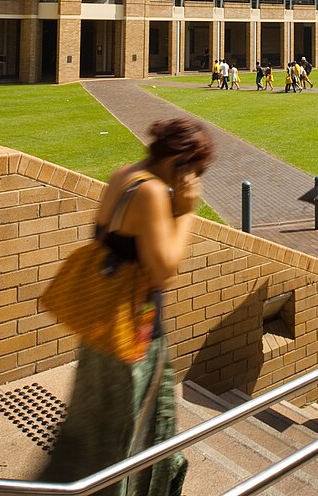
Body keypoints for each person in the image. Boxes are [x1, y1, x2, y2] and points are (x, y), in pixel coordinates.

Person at [39, 118, 214, 496]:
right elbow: (164, 270)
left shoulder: (124, 175)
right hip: (133, 331)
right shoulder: (152, 193)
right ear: (181, 163)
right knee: (134, 428)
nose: (195, 179)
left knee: (91, 420)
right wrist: (186, 211)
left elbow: (106, 238)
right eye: (196, 171)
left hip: (101, 325)